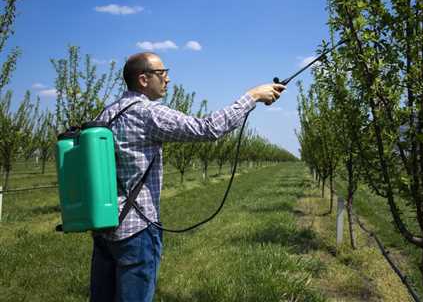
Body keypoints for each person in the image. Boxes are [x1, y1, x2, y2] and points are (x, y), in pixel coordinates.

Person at [90, 52, 286, 302]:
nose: (168, 80)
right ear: (143, 79)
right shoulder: (148, 113)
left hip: (105, 226)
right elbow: (208, 129)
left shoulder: (106, 115)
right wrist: (252, 97)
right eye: (162, 73)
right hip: (136, 231)